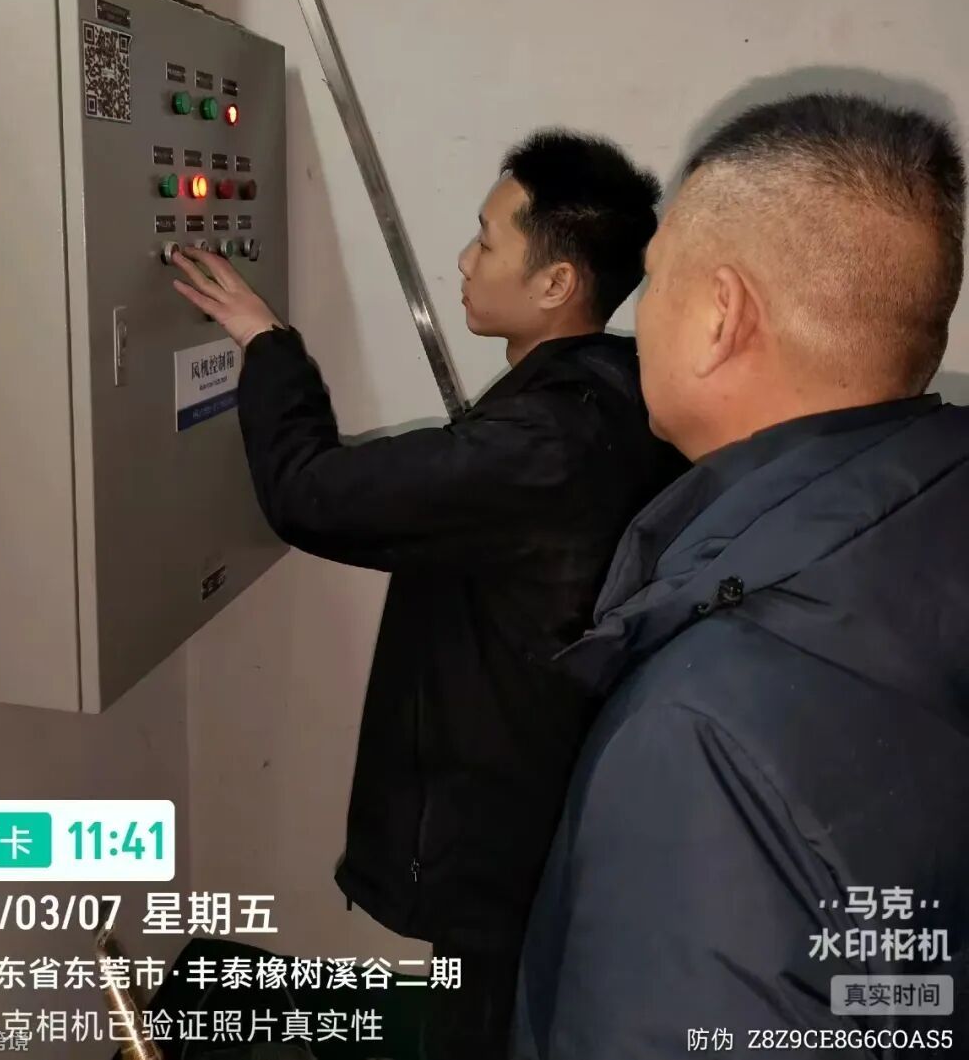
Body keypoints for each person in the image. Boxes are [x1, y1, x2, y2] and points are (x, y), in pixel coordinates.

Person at [170, 128, 683, 1059]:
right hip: (555, 802)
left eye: (487, 239)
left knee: (477, 1024)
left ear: (556, 283)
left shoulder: (541, 446)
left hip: (503, 829)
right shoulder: (617, 394)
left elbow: (311, 495)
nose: (464, 259)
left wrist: (266, 344)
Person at [511, 94, 969, 1059]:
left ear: (721, 315)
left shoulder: (702, 739)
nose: (639, 314)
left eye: (655, 278)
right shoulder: (929, 521)